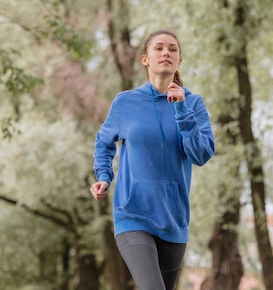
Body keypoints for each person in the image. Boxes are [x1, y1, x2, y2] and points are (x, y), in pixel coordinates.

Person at [90, 29, 215, 290]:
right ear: (145, 58)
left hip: (174, 219)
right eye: (158, 48)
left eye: (172, 49)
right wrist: (103, 176)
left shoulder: (193, 104)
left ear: (179, 60)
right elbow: (103, 142)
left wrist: (181, 110)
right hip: (133, 214)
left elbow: (201, 154)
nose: (166, 53)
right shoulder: (126, 103)